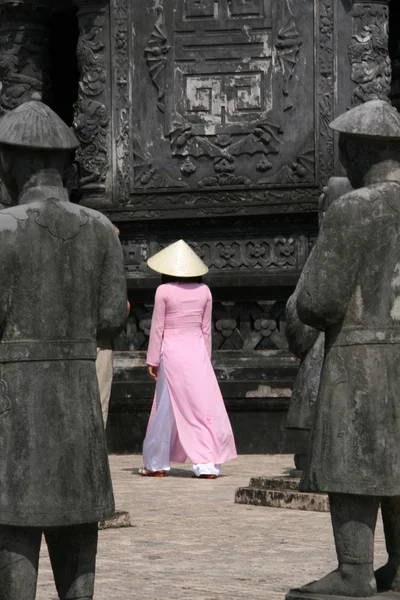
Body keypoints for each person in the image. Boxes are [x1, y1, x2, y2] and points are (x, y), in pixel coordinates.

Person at [0, 100, 128, 600]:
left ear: (18, 162)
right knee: (78, 516)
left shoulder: (4, 228)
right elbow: (112, 317)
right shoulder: (99, 230)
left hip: (15, 401)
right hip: (76, 398)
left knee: (14, 518)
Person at [288, 99, 400, 598]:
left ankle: (355, 567)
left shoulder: (353, 208)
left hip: (359, 358)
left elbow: (318, 301)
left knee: (356, 460)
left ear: (356, 151)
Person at [139, 239, 237, 479]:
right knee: (200, 407)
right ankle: (206, 464)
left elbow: (158, 328)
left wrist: (152, 359)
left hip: (172, 354)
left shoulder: (164, 291)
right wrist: (206, 361)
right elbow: (206, 331)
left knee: (163, 408)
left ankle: (156, 463)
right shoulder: (205, 292)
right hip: (197, 354)